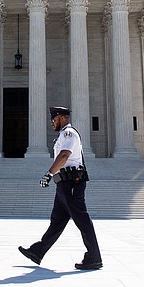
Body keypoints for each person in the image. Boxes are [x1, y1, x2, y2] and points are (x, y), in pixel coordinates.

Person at [18, 106, 102, 270]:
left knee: (82, 220)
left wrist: (48, 174)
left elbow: (64, 155)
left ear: (62, 118)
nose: (52, 123)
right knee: (57, 221)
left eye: (54, 119)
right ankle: (37, 251)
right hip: (64, 184)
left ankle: (94, 257)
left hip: (72, 183)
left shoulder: (69, 133)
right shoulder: (62, 135)